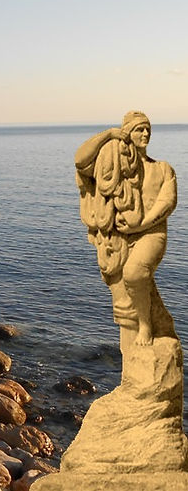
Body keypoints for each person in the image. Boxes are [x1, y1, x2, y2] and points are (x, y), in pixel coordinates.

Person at [75, 111, 177, 348]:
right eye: (139, 129)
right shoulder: (114, 168)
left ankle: (146, 325)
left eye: (148, 130)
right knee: (124, 295)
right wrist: (109, 134)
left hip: (151, 233)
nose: (145, 134)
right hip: (119, 237)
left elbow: (167, 202)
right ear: (128, 133)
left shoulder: (162, 169)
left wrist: (141, 224)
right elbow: (80, 160)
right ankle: (135, 347)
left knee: (135, 272)